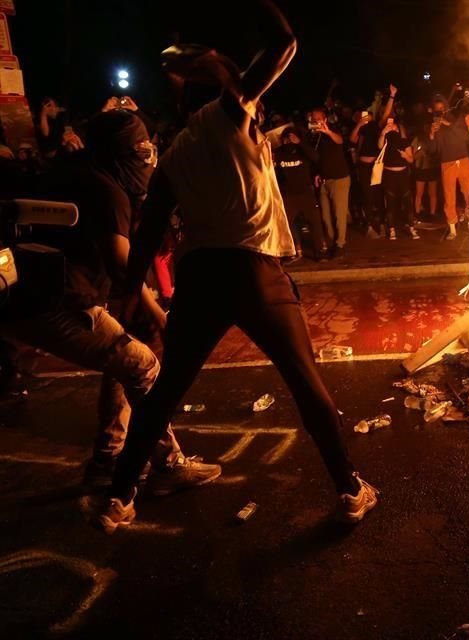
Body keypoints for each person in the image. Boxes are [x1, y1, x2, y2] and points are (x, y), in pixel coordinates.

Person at [98, 0, 377, 534]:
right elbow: (284, 44)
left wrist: (131, 292)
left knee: (166, 390)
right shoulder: (229, 115)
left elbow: (150, 228)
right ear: (230, 96)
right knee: (305, 381)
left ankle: (118, 497)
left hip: (199, 278)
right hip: (253, 271)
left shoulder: (175, 149)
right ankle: (349, 488)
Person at [0, 109, 221, 493]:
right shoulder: (106, 190)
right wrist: (160, 316)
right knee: (142, 364)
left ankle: (108, 458)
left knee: (122, 360)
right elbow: (123, 265)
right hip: (58, 303)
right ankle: (167, 465)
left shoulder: (76, 170)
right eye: (137, 151)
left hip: (36, 294)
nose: (145, 159)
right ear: (119, 155)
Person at [429, 95, 469, 240]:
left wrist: (446, 123)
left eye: (441, 107)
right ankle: (452, 228)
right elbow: (434, 150)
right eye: (437, 109)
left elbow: (464, 137)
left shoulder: (456, 119)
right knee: (449, 196)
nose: (439, 111)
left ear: (446, 107)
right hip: (447, 163)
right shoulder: (434, 125)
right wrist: (432, 134)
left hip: (463, 160)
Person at [350, 84, 397, 238]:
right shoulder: (360, 128)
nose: (367, 117)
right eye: (365, 115)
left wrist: (392, 96)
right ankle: (369, 225)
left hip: (376, 166)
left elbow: (386, 114)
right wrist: (359, 124)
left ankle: (382, 224)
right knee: (367, 196)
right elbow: (352, 140)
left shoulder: (377, 126)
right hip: (363, 166)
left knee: (378, 195)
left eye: (369, 115)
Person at [274, 126, 325, 260]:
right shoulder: (278, 152)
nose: (289, 140)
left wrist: (300, 143)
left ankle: (320, 251)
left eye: (291, 137)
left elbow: (316, 157)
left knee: (315, 222)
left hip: (305, 193)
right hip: (288, 194)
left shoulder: (303, 150)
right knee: (287, 224)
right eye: (287, 137)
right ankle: (291, 251)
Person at [307, 107, 351, 257]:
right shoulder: (314, 137)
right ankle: (332, 242)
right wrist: (317, 174)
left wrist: (328, 132)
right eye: (313, 118)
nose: (315, 121)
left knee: (339, 214)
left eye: (318, 118)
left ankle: (340, 243)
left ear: (325, 119)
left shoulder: (332, 130)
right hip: (325, 179)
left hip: (339, 179)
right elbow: (319, 158)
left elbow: (340, 141)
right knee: (325, 216)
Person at [378, 118, 419, 240]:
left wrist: (406, 155)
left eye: (395, 127)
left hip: (403, 174)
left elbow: (411, 159)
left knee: (407, 202)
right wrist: (383, 132)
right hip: (389, 174)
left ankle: (411, 227)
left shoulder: (404, 141)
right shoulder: (385, 140)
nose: (393, 128)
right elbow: (379, 146)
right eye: (390, 126)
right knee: (390, 202)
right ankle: (392, 229)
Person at [411, 123, 439, 218]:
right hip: (421, 168)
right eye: (432, 126)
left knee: (433, 193)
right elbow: (413, 156)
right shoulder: (419, 138)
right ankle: (417, 213)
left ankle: (432, 214)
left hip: (433, 167)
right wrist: (420, 152)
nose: (434, 128)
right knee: (419, 192)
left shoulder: (438, 138)